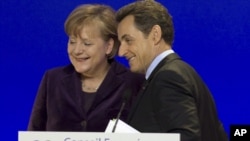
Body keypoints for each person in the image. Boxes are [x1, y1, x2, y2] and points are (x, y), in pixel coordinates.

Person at [116, 0, 228, 140]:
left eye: (128, 40)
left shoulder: (168, 77)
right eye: (121, 43)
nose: (121, 52)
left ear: (155, 35)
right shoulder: (178, 72)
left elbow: (187, 137)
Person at [28, 4, 144, 131]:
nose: (77, 50)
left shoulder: (133, 84)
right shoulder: (52, 80)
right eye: (72, 41)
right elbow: (35, 131)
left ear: (109, 46)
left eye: (87, 43)